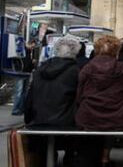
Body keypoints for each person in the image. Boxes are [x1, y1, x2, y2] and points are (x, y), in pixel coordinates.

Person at [76, 35, 123, 167]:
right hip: (119, 115)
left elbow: (79, 94)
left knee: (93, 126)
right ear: (116, 51)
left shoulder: (87, 68)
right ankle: (105, 158)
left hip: (89, 115)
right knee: (109, 124)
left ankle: (92, 158)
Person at [24, 37, 81, 166]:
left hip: (38, 120)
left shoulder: (40, 69)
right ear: (75, 52)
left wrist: (28, 119)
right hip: (66, 122)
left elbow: (30, 97)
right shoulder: (76, 70)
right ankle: (69, 159)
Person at [12, 40, 36, 115]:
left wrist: (32, 63)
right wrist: (32, 62)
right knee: (19, 92)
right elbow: (24, 64)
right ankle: (16, 110)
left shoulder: (29, 53)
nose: (33, 47)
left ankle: (21, 109)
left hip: (26, 73)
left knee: (24, 92)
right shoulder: (23, 51)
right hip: (20, 73)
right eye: (32, 46)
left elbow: (28, 65)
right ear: (28, 44)